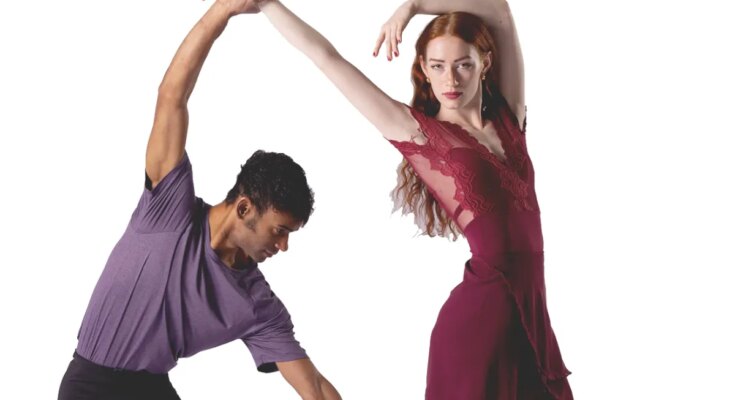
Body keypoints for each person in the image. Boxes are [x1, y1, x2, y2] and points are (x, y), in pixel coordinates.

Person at [255, 0, 572, 398]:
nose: (450, 79)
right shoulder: (420, 135)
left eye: (463, 65)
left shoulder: (510, 115)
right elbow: (327, 58)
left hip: (531, 320)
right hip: (479, 329)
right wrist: (266, 3)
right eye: (437, 66)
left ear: (485, 63)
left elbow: (499, 10)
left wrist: (413, 6)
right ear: (423, 68)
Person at [57, 1, 341, 399]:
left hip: (151, 388)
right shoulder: (168, 209)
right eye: (279, 231)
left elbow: (314, 386)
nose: (283, 246)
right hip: (91, 385)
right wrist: (222, 11)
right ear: (244, 208)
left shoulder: (255, 302)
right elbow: (172, 97)